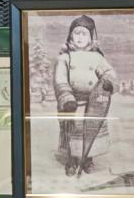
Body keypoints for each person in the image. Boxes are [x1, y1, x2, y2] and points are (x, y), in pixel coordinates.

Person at [53, 15, 117, 176]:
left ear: (90, 38)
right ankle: (72, 160)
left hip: (93, 102)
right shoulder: (64, 58)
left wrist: (108, 82)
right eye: (77, 33)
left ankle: (88, 158)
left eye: (84, 34)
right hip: (73, 102)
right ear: (70, 36)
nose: (80, 37)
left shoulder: (97, 57)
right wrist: (66, 98)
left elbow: (108, 72)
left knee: (91, 129)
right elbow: (60, 79)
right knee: (73, 131)